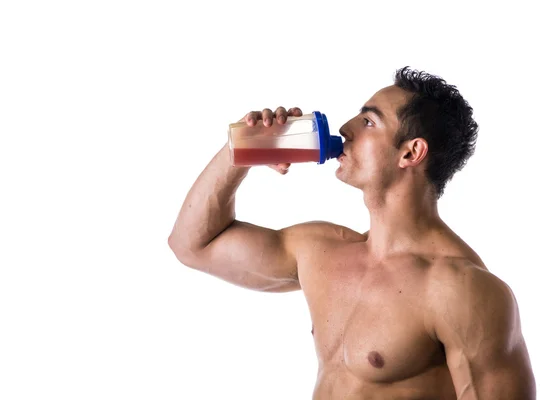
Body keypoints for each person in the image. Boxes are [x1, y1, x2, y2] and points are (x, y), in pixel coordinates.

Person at [167, 66, 536, 399]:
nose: (345, 129)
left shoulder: (463, 290)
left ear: (411, 153)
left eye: (369, 122)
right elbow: (191, 244)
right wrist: (242, 150)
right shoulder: (321, 251)